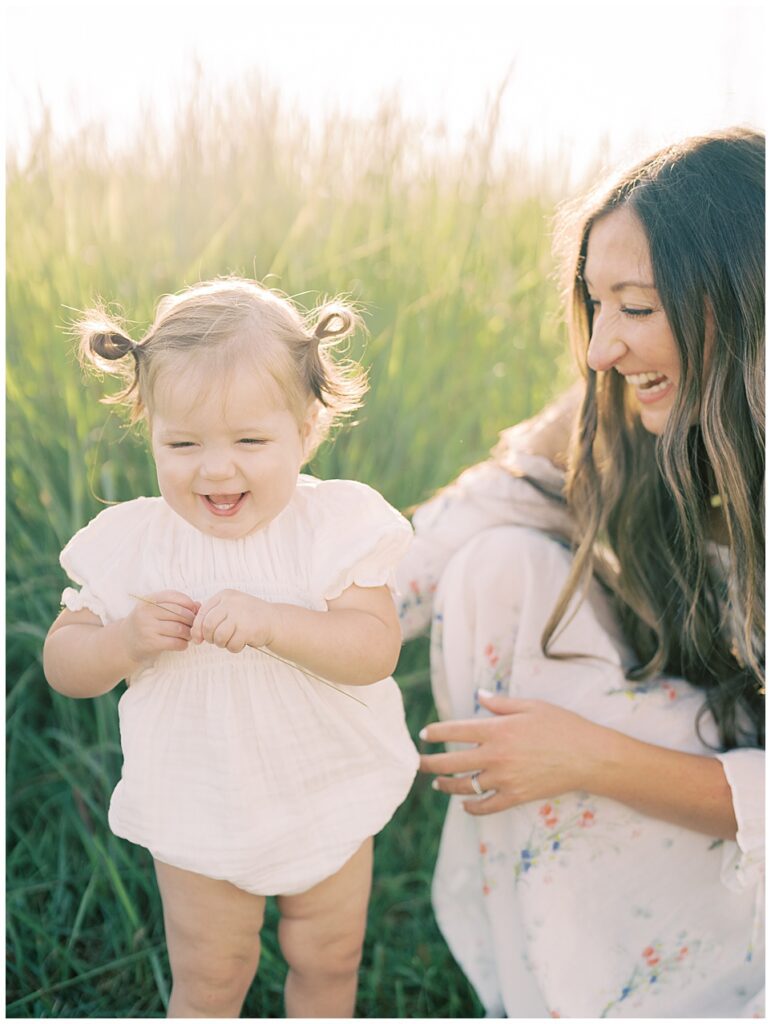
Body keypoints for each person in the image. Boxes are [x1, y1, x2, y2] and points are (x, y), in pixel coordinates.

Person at [397, 127, 764, 1018]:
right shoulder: (626, 408)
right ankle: (566, 991)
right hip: (712, 771)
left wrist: (586, 757)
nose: (601, 349)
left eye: (635, 308)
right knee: (495, 566)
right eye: (596, 306)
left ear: (741, 298)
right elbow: (479, 509)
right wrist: (301, 609)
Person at [43, 278, 418, 1018]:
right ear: (148, 427)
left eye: (250, 441)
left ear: (306, 428)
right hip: (198, 801)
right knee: (214, 975)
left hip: (325, 789)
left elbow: (373, 648)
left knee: (327, 956)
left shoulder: (333, 528)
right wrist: (122, 640)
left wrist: (276, 622)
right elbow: (64, 662)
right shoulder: (135, 544)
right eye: (182, 444)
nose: (216, 469)